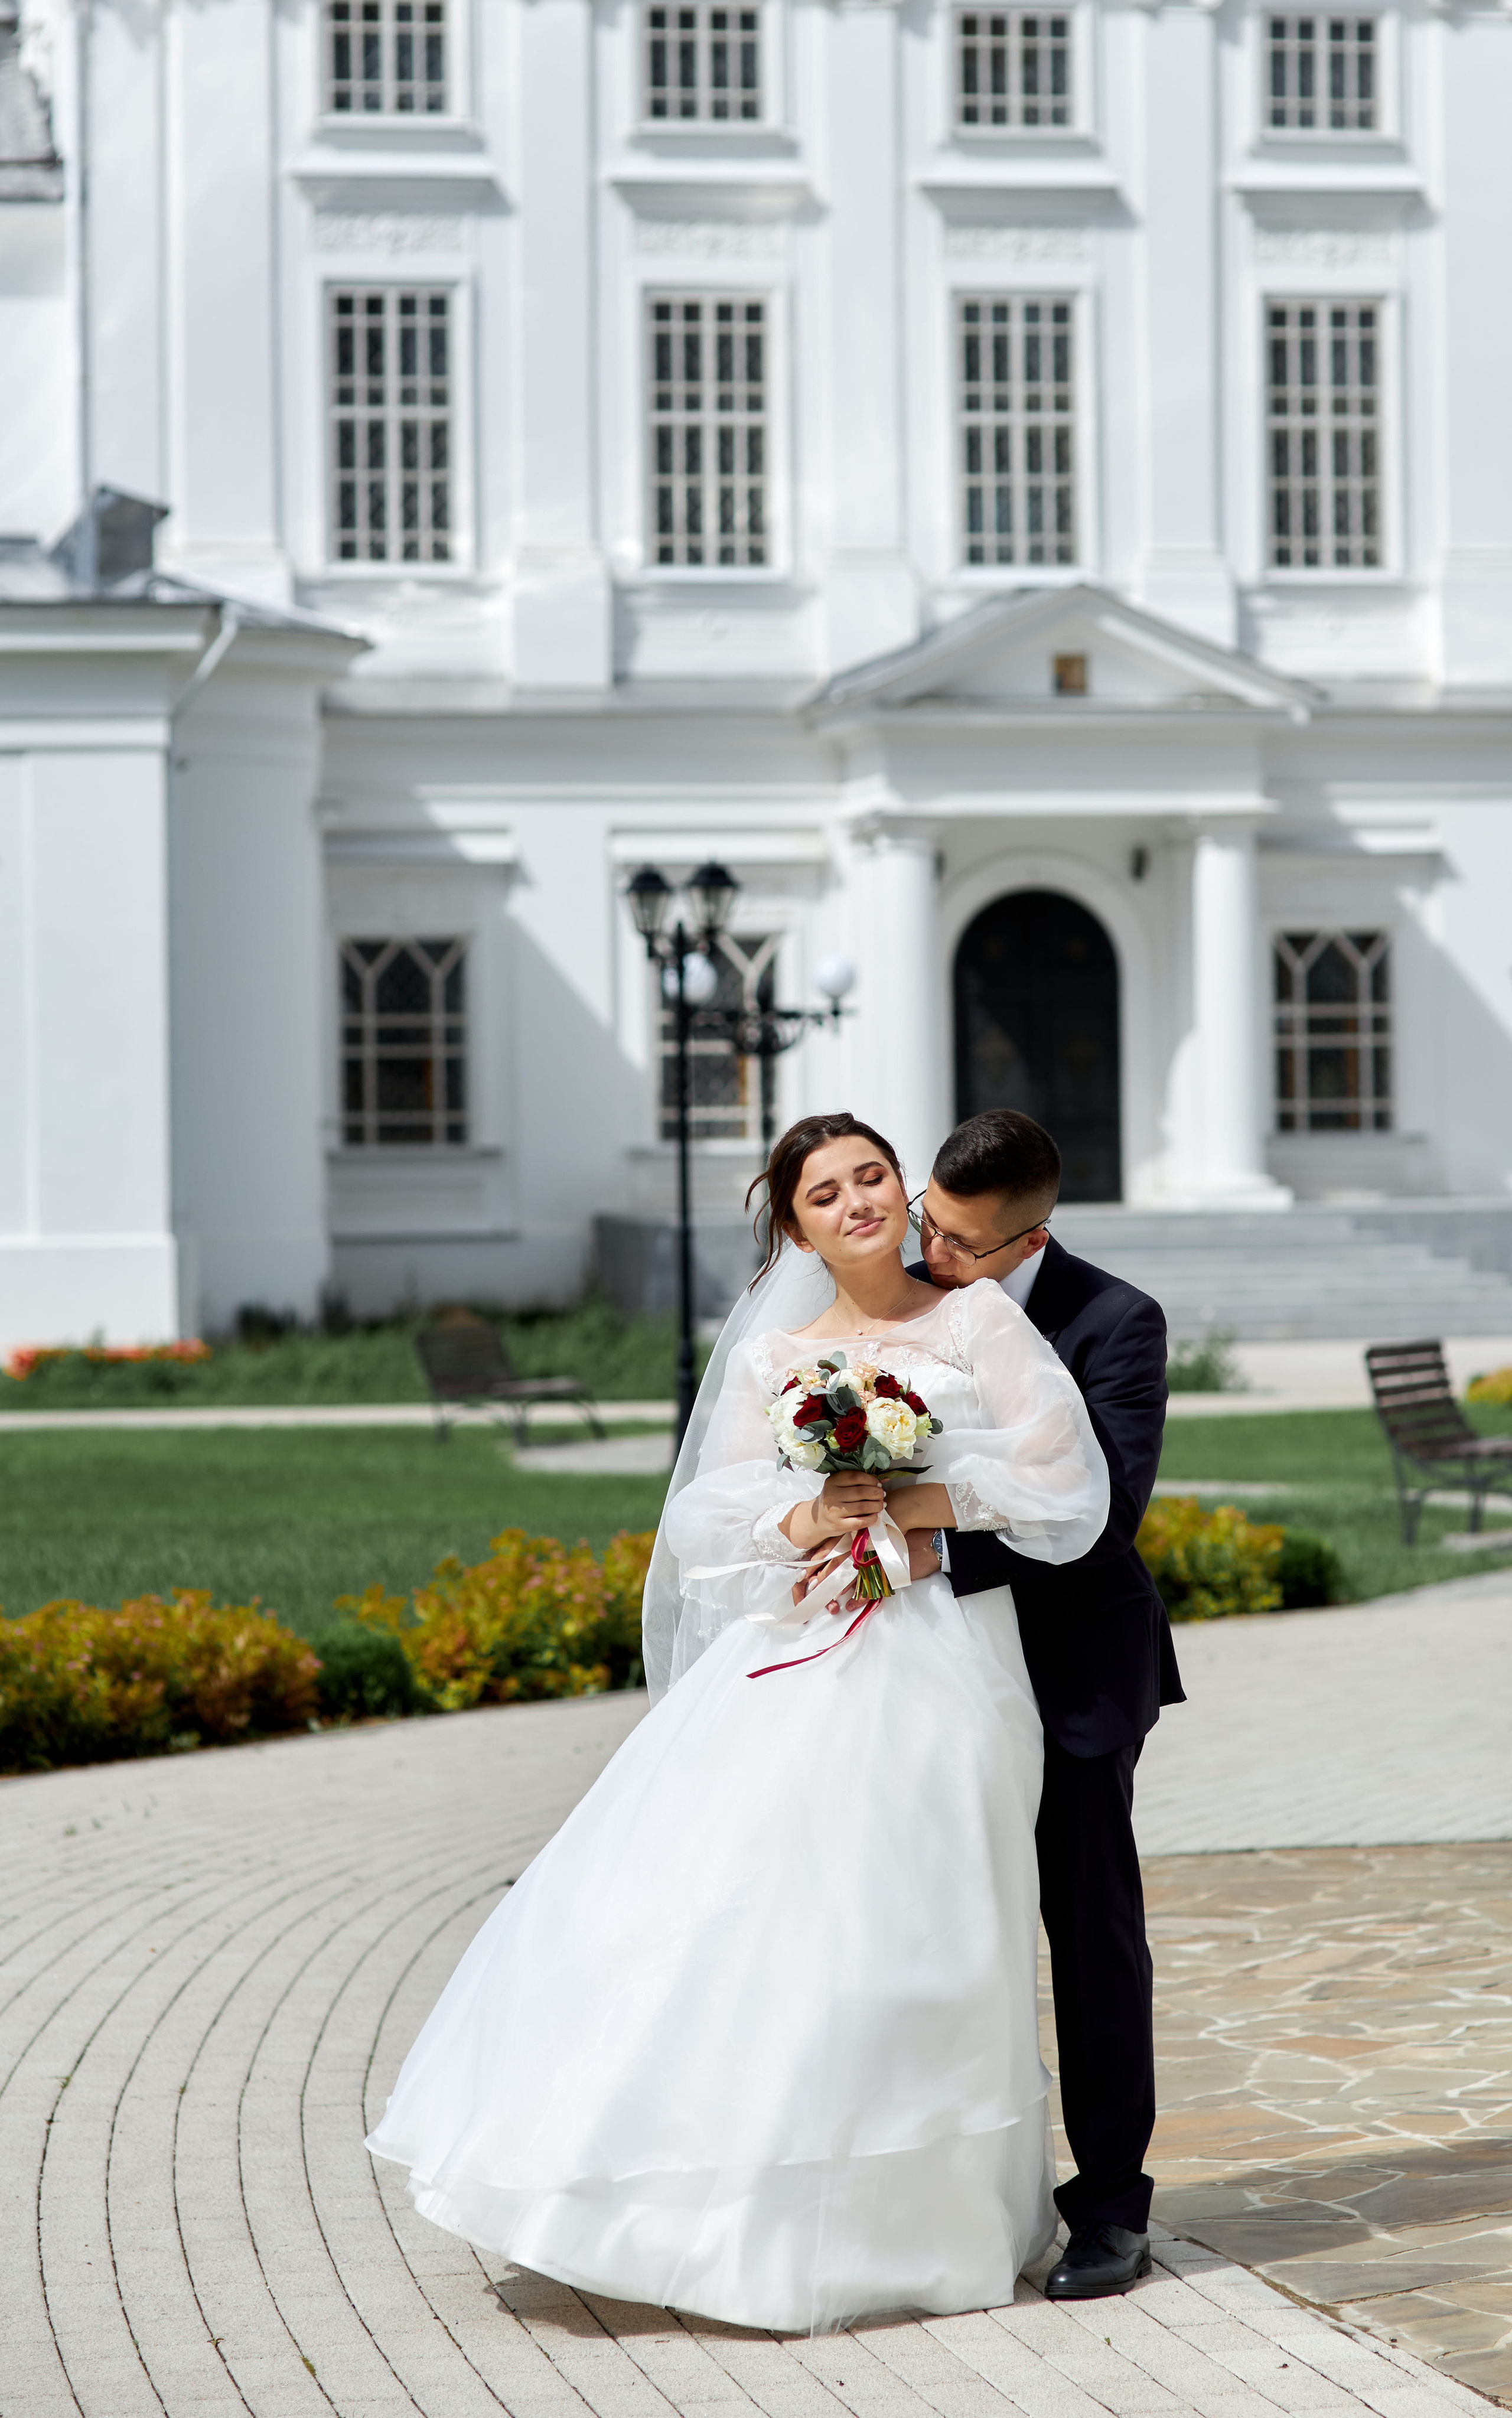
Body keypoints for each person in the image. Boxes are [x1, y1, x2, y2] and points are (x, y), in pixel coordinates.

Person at [367, 1110, 1109, 2335]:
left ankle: (929, 2223)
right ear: (795, 1225)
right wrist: (806, 1522)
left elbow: (1062, 1484)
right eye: (825, 1193)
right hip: (802, 1657)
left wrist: (928, 1494)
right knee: (756, 1908)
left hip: (941, 1659)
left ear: (902, 1190)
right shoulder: (779, 1356)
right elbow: (706, 1519)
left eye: (872, 1175)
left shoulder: (974, 1316)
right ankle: (709, 2210)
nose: (858, 1201)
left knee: (927, 1919)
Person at [902, 1108, 1184, 2300]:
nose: (932, 1256)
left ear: (1027, 1240)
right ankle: (940, 2198)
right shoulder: (903, 1296)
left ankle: (1110, 2208)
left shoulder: (1114, 1322)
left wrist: (934, 1545)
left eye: (960, 1243)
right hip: (922, 1674)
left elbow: (1103, 1515)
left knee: (1089, 1935)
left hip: (1071, 1674)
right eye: (928, 1222)